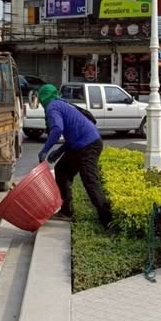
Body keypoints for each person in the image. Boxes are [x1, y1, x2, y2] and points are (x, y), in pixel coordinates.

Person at [37, 84, 112, 228]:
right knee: (62, 170)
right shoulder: (62, 103)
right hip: (81, 143)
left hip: (88, 145)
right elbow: (73, 134)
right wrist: (58, 152)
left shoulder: (52, 107)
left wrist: (45, 150)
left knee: (90, 180)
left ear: (43, 97)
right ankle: (66, 211)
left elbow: (57, 129)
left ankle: (107, 220)